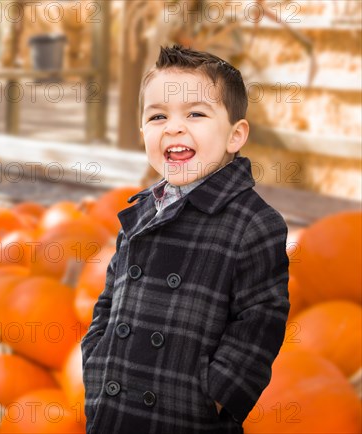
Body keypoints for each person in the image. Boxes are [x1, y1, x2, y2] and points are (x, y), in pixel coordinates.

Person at [80, 44, 290, 434]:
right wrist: (95, 357)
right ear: (142, 132)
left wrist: (217, 393)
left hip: (188, 416)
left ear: (234, 135)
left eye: (195, 114)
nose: (174, 127)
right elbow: (110, 296)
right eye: (158, 116)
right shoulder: (141, 211)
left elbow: (261, 321)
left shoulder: (253, 223)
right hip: (115, 406)